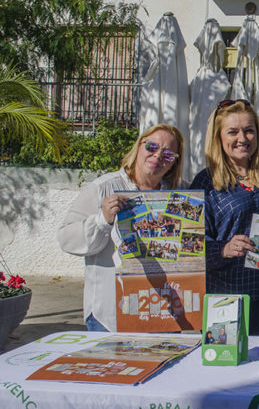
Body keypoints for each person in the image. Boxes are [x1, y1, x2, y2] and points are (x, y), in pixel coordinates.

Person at [58, 124, 185, 332]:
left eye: (168, 154)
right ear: (139, 146)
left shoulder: (180, 194)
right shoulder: (103, 188)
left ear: (174, 162)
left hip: (162, 313)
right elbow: (66, 238)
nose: (158, 155)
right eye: (151, 146)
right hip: (110, 317)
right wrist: (103, 219)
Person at [190, 99, 259, 336]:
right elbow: (188, 248)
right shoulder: (204, 183)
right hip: (226, 294)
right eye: (233, 131)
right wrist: (223, 249)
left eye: (249, 130)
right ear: (218, 137)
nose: (242, 138)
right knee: (226, 365)